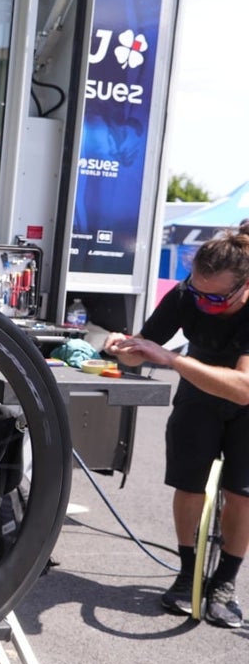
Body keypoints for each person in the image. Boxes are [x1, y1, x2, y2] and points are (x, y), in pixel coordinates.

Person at [104, 220, 249, 629]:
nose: (205, 303)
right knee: (189, 485)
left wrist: (170, 359)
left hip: (244, 402)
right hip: (198, 398)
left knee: (241, 494)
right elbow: (143, 348)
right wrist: (123, 348)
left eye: (217, 300)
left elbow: (243, 388)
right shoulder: (187, 294)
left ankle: (224, 584)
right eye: (199, 294)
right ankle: (187, 574)